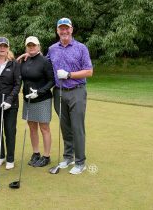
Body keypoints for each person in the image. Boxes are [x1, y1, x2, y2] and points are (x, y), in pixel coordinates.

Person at [47, 18, 93, 175]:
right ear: (57, 31)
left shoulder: (81, 48)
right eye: (61, 29)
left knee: (77, 127)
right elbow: (43, 64)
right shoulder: (52, 49)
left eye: (67, 28)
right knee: (65, 127)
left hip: (77, 91)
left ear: (71, 30)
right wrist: (28, 54)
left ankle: (80, 162)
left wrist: (69, 74)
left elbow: (89, 71)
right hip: (59, 92)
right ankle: (68, 157)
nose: (64, 31)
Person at [20, 36, 55, 167]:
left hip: (42, 99)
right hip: (28, 99)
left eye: (34, 45)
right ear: (26, 47)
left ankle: (46, 156)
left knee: (44, 127)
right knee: (32, 127)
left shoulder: (45, 61)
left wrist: (39, 92)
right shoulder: (24, 60)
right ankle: (36, 153)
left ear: (39, 46)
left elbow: (52, 80)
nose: (31, 47)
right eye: (29, 45)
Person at [0, 37, 21, 170]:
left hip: (10, 105)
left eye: (5, 46)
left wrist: (9, 100)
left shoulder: (14, 64)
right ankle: (0, 155)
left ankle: (10, 158)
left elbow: (18, 84)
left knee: (10, 131)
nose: (2, 48)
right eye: (0, 46)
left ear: (8, 48)